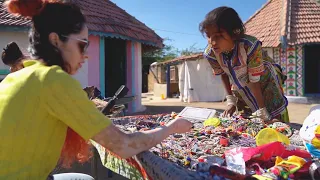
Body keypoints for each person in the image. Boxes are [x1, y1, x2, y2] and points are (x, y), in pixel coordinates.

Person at [0, 0, 193, 180]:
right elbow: (124, 146)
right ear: (56, 40)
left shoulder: (17, 76)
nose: (86, 56)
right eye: (82, 45)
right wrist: (172, 128)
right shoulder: (52, 79)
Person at [199, 6, 289, 122]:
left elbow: (254, 81)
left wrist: (262, 110)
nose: (213, 42)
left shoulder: (250, 46)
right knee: (247, 123)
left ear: (234, 33)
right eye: (208, 36)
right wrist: (231, 101)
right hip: (241, 87)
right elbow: (223, 74)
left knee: (274, 121)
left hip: (266, 84)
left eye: (219, 35)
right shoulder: (211, 54)